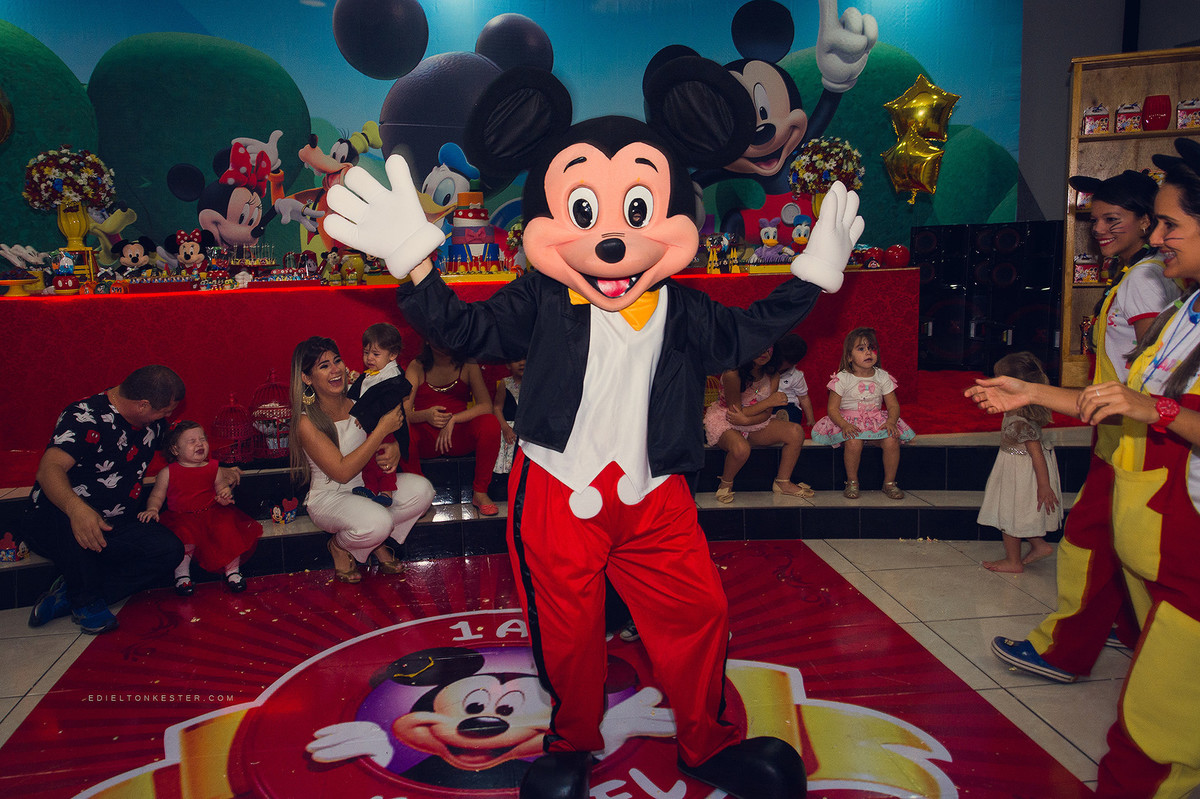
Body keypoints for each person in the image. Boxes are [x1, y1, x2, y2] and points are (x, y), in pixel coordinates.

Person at [325, 86, 863, 793]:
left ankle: (706, 742)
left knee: (699, 613)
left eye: (637, 211)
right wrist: (416, 263)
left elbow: (747, 333)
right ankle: (572, 742)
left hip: (655, 494)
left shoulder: (682, 307)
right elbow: (469, 331)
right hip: (559, 490)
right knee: (568, 631)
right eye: (585, 212)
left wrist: (811, 278)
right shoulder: (542, 298)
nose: (612, 240)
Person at [966, 137, 1200, 799]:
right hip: (1162, 532)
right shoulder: (1185, 307)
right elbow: (1117, 398)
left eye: (1169, 225)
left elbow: (1147, 404)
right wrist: (1030, 392)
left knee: (1152, 735)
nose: (1158, 239)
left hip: (1187, 549)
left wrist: (1154, 408)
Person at [991, 168, 1179, 682]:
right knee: (1116, 541)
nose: (1099, 230)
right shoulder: (1137, 275)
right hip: (1118, 432)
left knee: (1087, 543)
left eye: (1112, 220)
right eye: (1094, 220)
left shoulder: (1143, 281)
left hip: (1129, 437)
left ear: (1146, 222)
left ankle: (1062, 652)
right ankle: (1129, 628)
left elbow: (1155, 369)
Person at [23, 365, 188, 635]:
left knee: (169, 550)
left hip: (116, 519)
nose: (168, 416)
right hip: (61, 515)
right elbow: (49, 469)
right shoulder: (83, 416)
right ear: (143, 405)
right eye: (165, 411)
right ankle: (85, 602)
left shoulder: (152, 423)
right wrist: (76, 509)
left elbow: (179, 447)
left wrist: (219, 469)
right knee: (76, 530)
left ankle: (68, 595)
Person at [290, 336, 435, 584]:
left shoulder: (361, 397)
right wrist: (380, 430)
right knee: (379, 521)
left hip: (369, 485)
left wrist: (394, 448)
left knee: (423, 491)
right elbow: (342, 472)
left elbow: (393, 431)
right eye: (324, 366)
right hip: (330, 496)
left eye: (337, 361)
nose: (335, 370)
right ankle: (340, 546)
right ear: (307, 378)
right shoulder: (306, 421)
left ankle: (373, 542)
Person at [138, 420, 262, 594]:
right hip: (181, 517)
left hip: (211, 513)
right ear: (175, 449)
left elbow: (222, 488)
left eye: (202, 439)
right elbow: (157, 495)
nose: (200, 444)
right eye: (192, 441)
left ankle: (233, 572)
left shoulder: (213, 468)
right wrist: (153, 509)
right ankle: (182, 576)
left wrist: (225, 495)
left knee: (228, 532)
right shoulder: (168, 472)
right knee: (182, 537)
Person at [976, 352, 1062, 573]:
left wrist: (1044, 486)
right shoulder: (1016, 409)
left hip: (1022, 472)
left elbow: (1037, 455)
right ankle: (1039, 545)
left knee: (1010, 513)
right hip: (1014, 466)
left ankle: (1013, 561)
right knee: (1019, 511)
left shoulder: (1022, 421)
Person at [811, 327, 915, 499]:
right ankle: (852, 481)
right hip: (849, 421)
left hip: (875, 421)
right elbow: (832, 409)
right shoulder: (843, 378)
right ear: (849, 357)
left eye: (871, 348)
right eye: (861, 348)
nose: (868, 352)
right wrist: (844, 425)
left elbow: (893, 406)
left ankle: (889, 483)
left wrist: (891, 421)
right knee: (853, 442)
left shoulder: (882, 376)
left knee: (891, 440)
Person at [404, 340, 503, 516]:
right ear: (428, 339)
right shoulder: (416, 366)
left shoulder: (468, 363)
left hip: (458, 434)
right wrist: (426, 415)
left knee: (490, 423)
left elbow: (486, 406)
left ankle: (480, 492)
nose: (444, 341)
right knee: (401, 430)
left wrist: (454, 419)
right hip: (426, 437)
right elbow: (404, 413)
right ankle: (420, 495)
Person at [702, 347, 812, 503]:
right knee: (741, 449)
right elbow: (736, 413)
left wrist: (747, 421)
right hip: (726, 419)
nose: (764, 353)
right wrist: (769, 402)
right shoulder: (732, 374)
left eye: (768, 349)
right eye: (759, 348)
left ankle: (783, 482)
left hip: (755, 420)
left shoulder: (773, 374)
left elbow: (766, 413)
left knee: (796, 432)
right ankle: (725, 484)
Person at [348, 322, 413, 507]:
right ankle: (369, 487)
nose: (369, 358)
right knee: (368, 460)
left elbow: (385, 403)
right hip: (372, 429)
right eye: (366, 352)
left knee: (385, 460)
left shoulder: (394, 377)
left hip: (388, 430)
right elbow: (358, 393)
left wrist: (365, 416)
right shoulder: (372, 373)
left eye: (376, 354)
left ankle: (386, 491)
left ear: (392, 355)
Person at [491, 358, 525, 499]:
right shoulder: (505, 383)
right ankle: (504, 489)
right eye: (517, 360)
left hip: (526, 431)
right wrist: (504, 427)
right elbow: (497, 407)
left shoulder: (534, 383)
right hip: (509, 430)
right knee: (508, 460)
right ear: (508, 365)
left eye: (525, 358)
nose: (522, 363)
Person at [774, 333, 816, 428]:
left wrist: (811, 420)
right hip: (768, 404)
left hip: (787, 404)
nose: (778, 363)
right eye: (778, 359)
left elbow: (803, 398)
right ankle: (773, 421)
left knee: (793, 413)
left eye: (782, 362)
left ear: (793, 363)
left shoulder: (796, 376)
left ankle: (784, 421)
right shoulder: (766, 370)